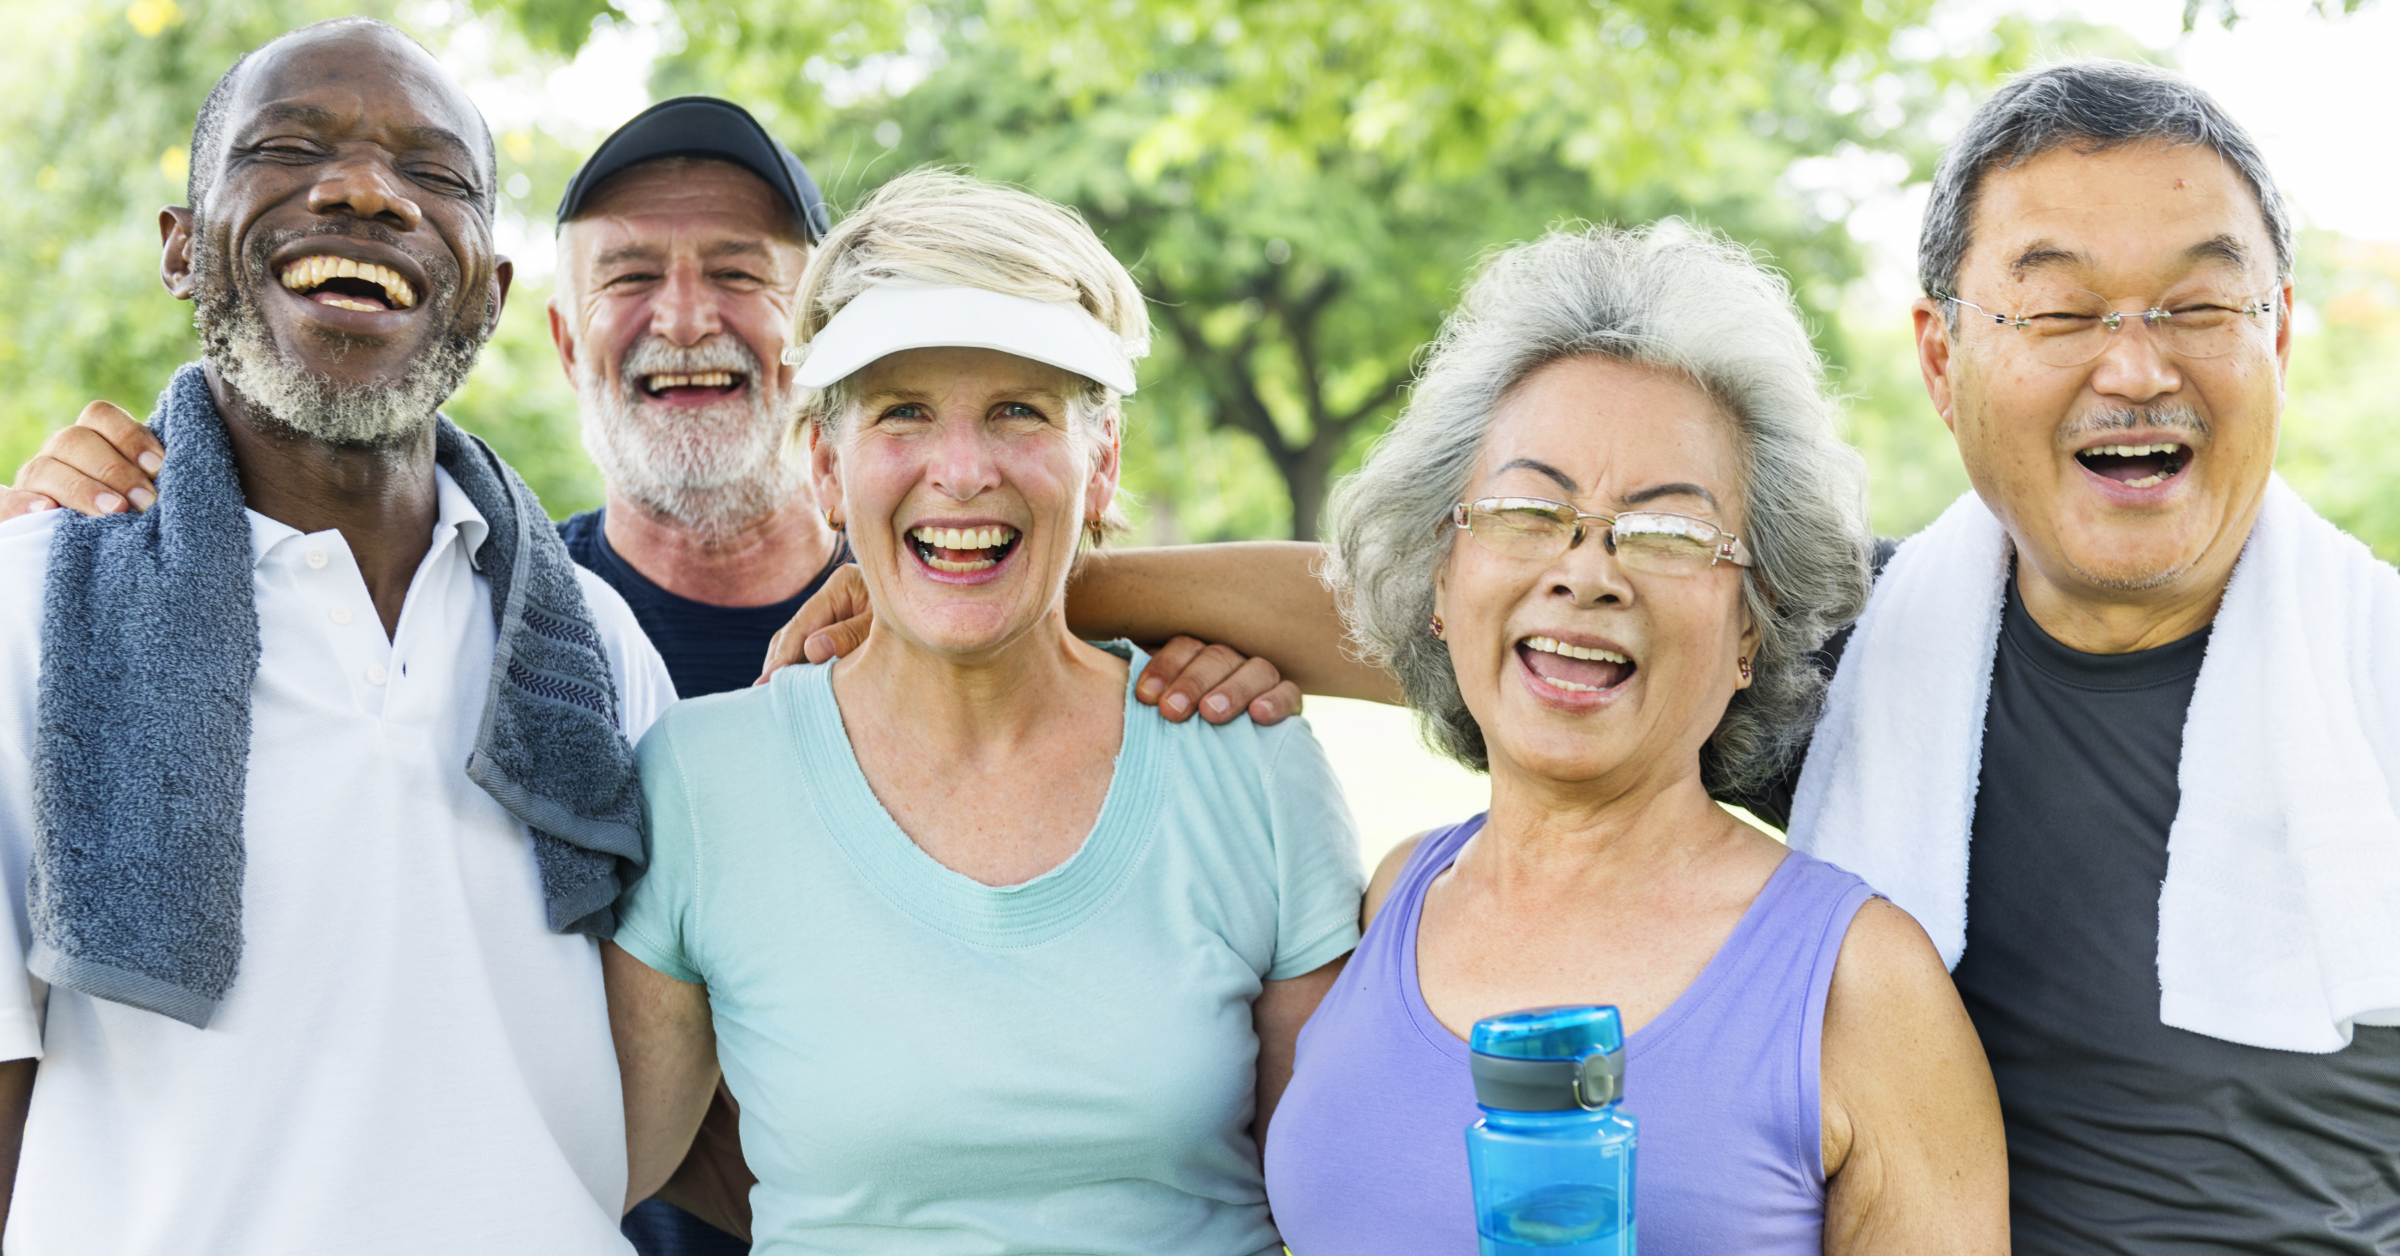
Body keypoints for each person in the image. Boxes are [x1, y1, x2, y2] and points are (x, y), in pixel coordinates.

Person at [763, 59, 2400, 1252]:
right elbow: (1473, 614)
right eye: (2057, 308)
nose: (2134, 362)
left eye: (2197, 306)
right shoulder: (1901, 661)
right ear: (1948, 356)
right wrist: (1032, 595)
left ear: (2277, 333)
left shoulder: (2356, 704)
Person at [0, 93, 1305, 1253]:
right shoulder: (576, 651)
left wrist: (1058, 597)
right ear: (564, 341)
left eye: (738, 271)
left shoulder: (582, 643)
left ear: (801, 360)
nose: (685, 315)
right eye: (633, 276)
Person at [0, 18, 678, 1254]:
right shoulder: (28, 615)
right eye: (287, 146)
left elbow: (678, 1075)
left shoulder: (602, 648)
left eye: (436, 175)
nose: (365, 189)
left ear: (491, 285)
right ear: (179, 248)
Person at [604, 169, 1365, 1254]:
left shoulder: (1249, 761)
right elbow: (592, 1162)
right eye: (904, 413)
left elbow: (1342, 1203)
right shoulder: (700, 780)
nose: (961, 471)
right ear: (825, 464)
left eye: (1020, 411)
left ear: (1100, 461)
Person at [1263, 223, 2005, 1252]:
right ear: (1443, 577)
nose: (1587, 571)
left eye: (1666, 532)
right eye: (1527, 509)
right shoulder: (1395, 895)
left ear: (1754, 624)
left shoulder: (1861, 981)